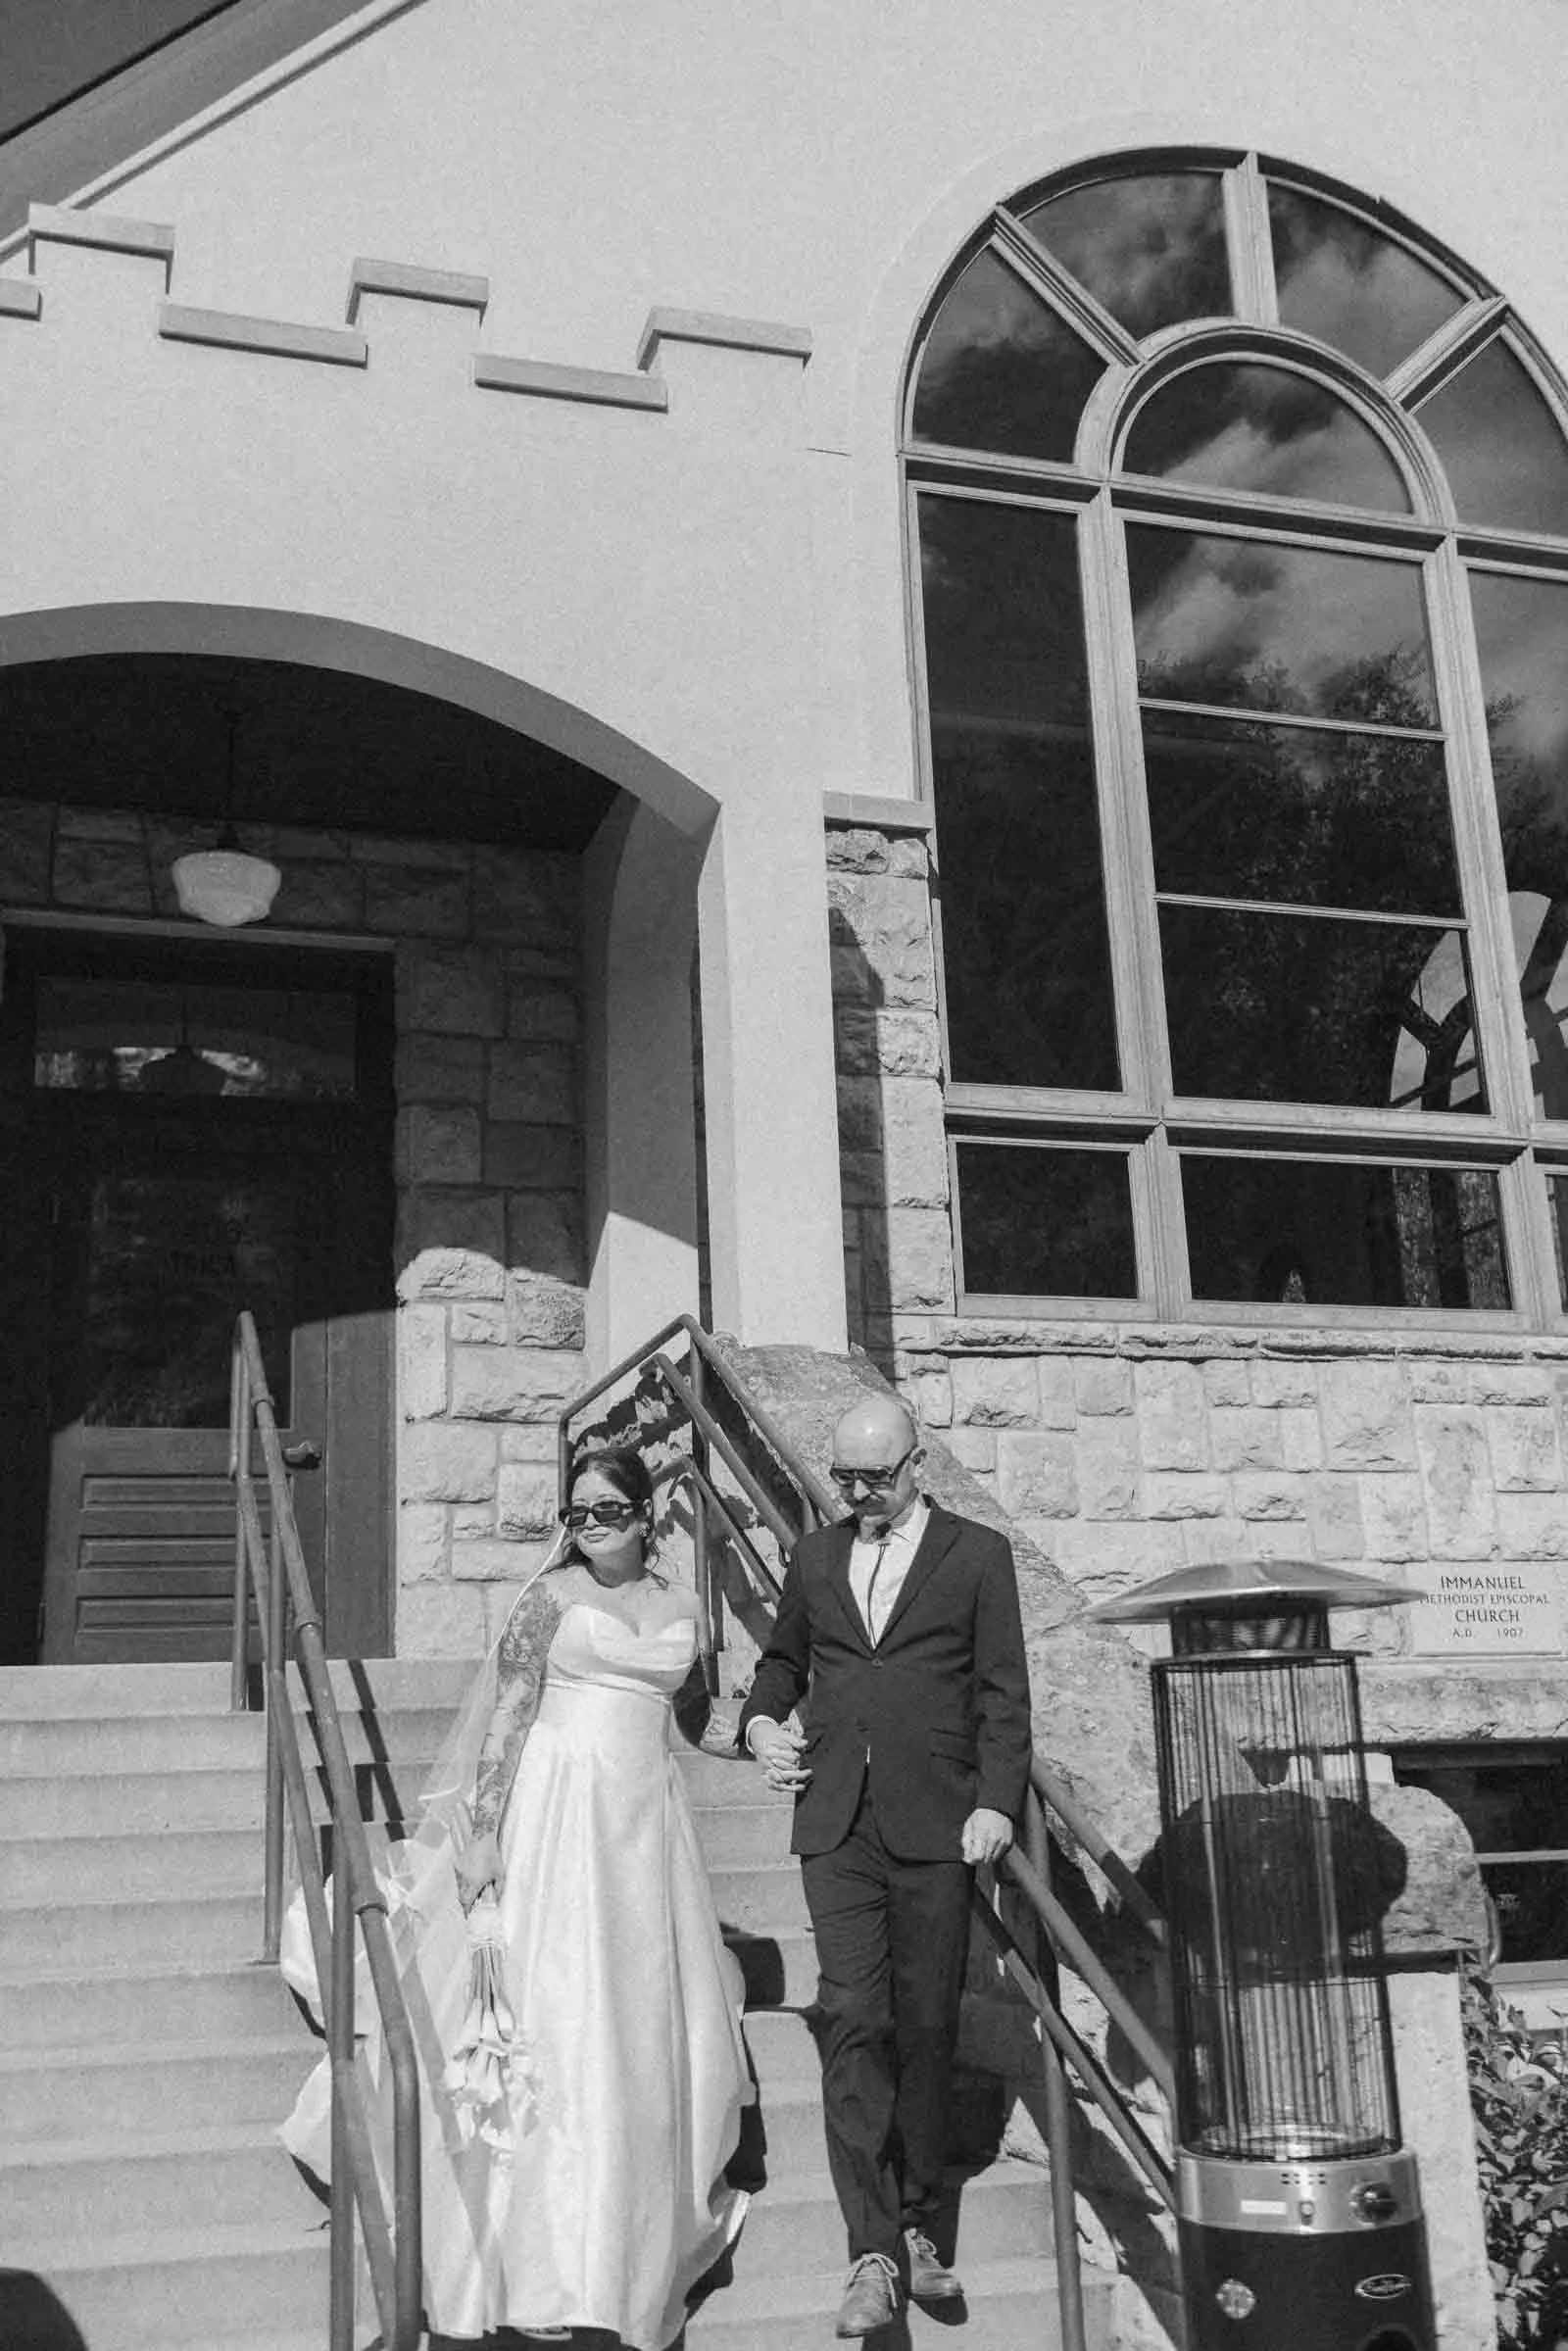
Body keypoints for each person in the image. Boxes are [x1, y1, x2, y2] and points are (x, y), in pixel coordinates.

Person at [282, 1445, 751, 2349]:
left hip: (647, 1828)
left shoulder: (687, 1607)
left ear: (647, 1513)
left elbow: (693, 1717)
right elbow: (508, 1712)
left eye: (609, 1509)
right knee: (560, 2015)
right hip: (560, 1816)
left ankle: (627, 2240)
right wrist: (485, 1831)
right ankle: (537, 2254)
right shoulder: (548, 1600)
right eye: (577, 1513)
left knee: (641, 2022)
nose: (591, 1525)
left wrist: (761, 1735)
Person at [739, 1395, 1032, 2338]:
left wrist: (996, 1801)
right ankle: (874, 2248)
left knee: (927, 2027)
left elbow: (1002, 1693)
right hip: (837, 1821)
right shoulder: (817, 1555)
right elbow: (782, 1664)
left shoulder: (977, 1556)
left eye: (875, 1476)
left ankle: (916, 2223)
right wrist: (759, 1723)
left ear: (916, 1467)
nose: (858, 1493)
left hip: (939, 1821)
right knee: (854, 2015)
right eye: (845, 1477)